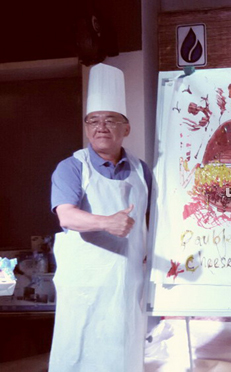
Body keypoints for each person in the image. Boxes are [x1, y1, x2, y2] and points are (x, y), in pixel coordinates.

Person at [49, 63, 152, 372]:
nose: (101, 127)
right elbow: (66, 216)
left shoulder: (142, 170)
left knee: (124, 359)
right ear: (86, 128)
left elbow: (152, 223)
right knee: (80, 359)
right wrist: (107, 222)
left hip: (127, 286)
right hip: (86, 290)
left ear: (126, 128)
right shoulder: (71, 168)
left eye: (110, 120)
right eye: (93, 121)